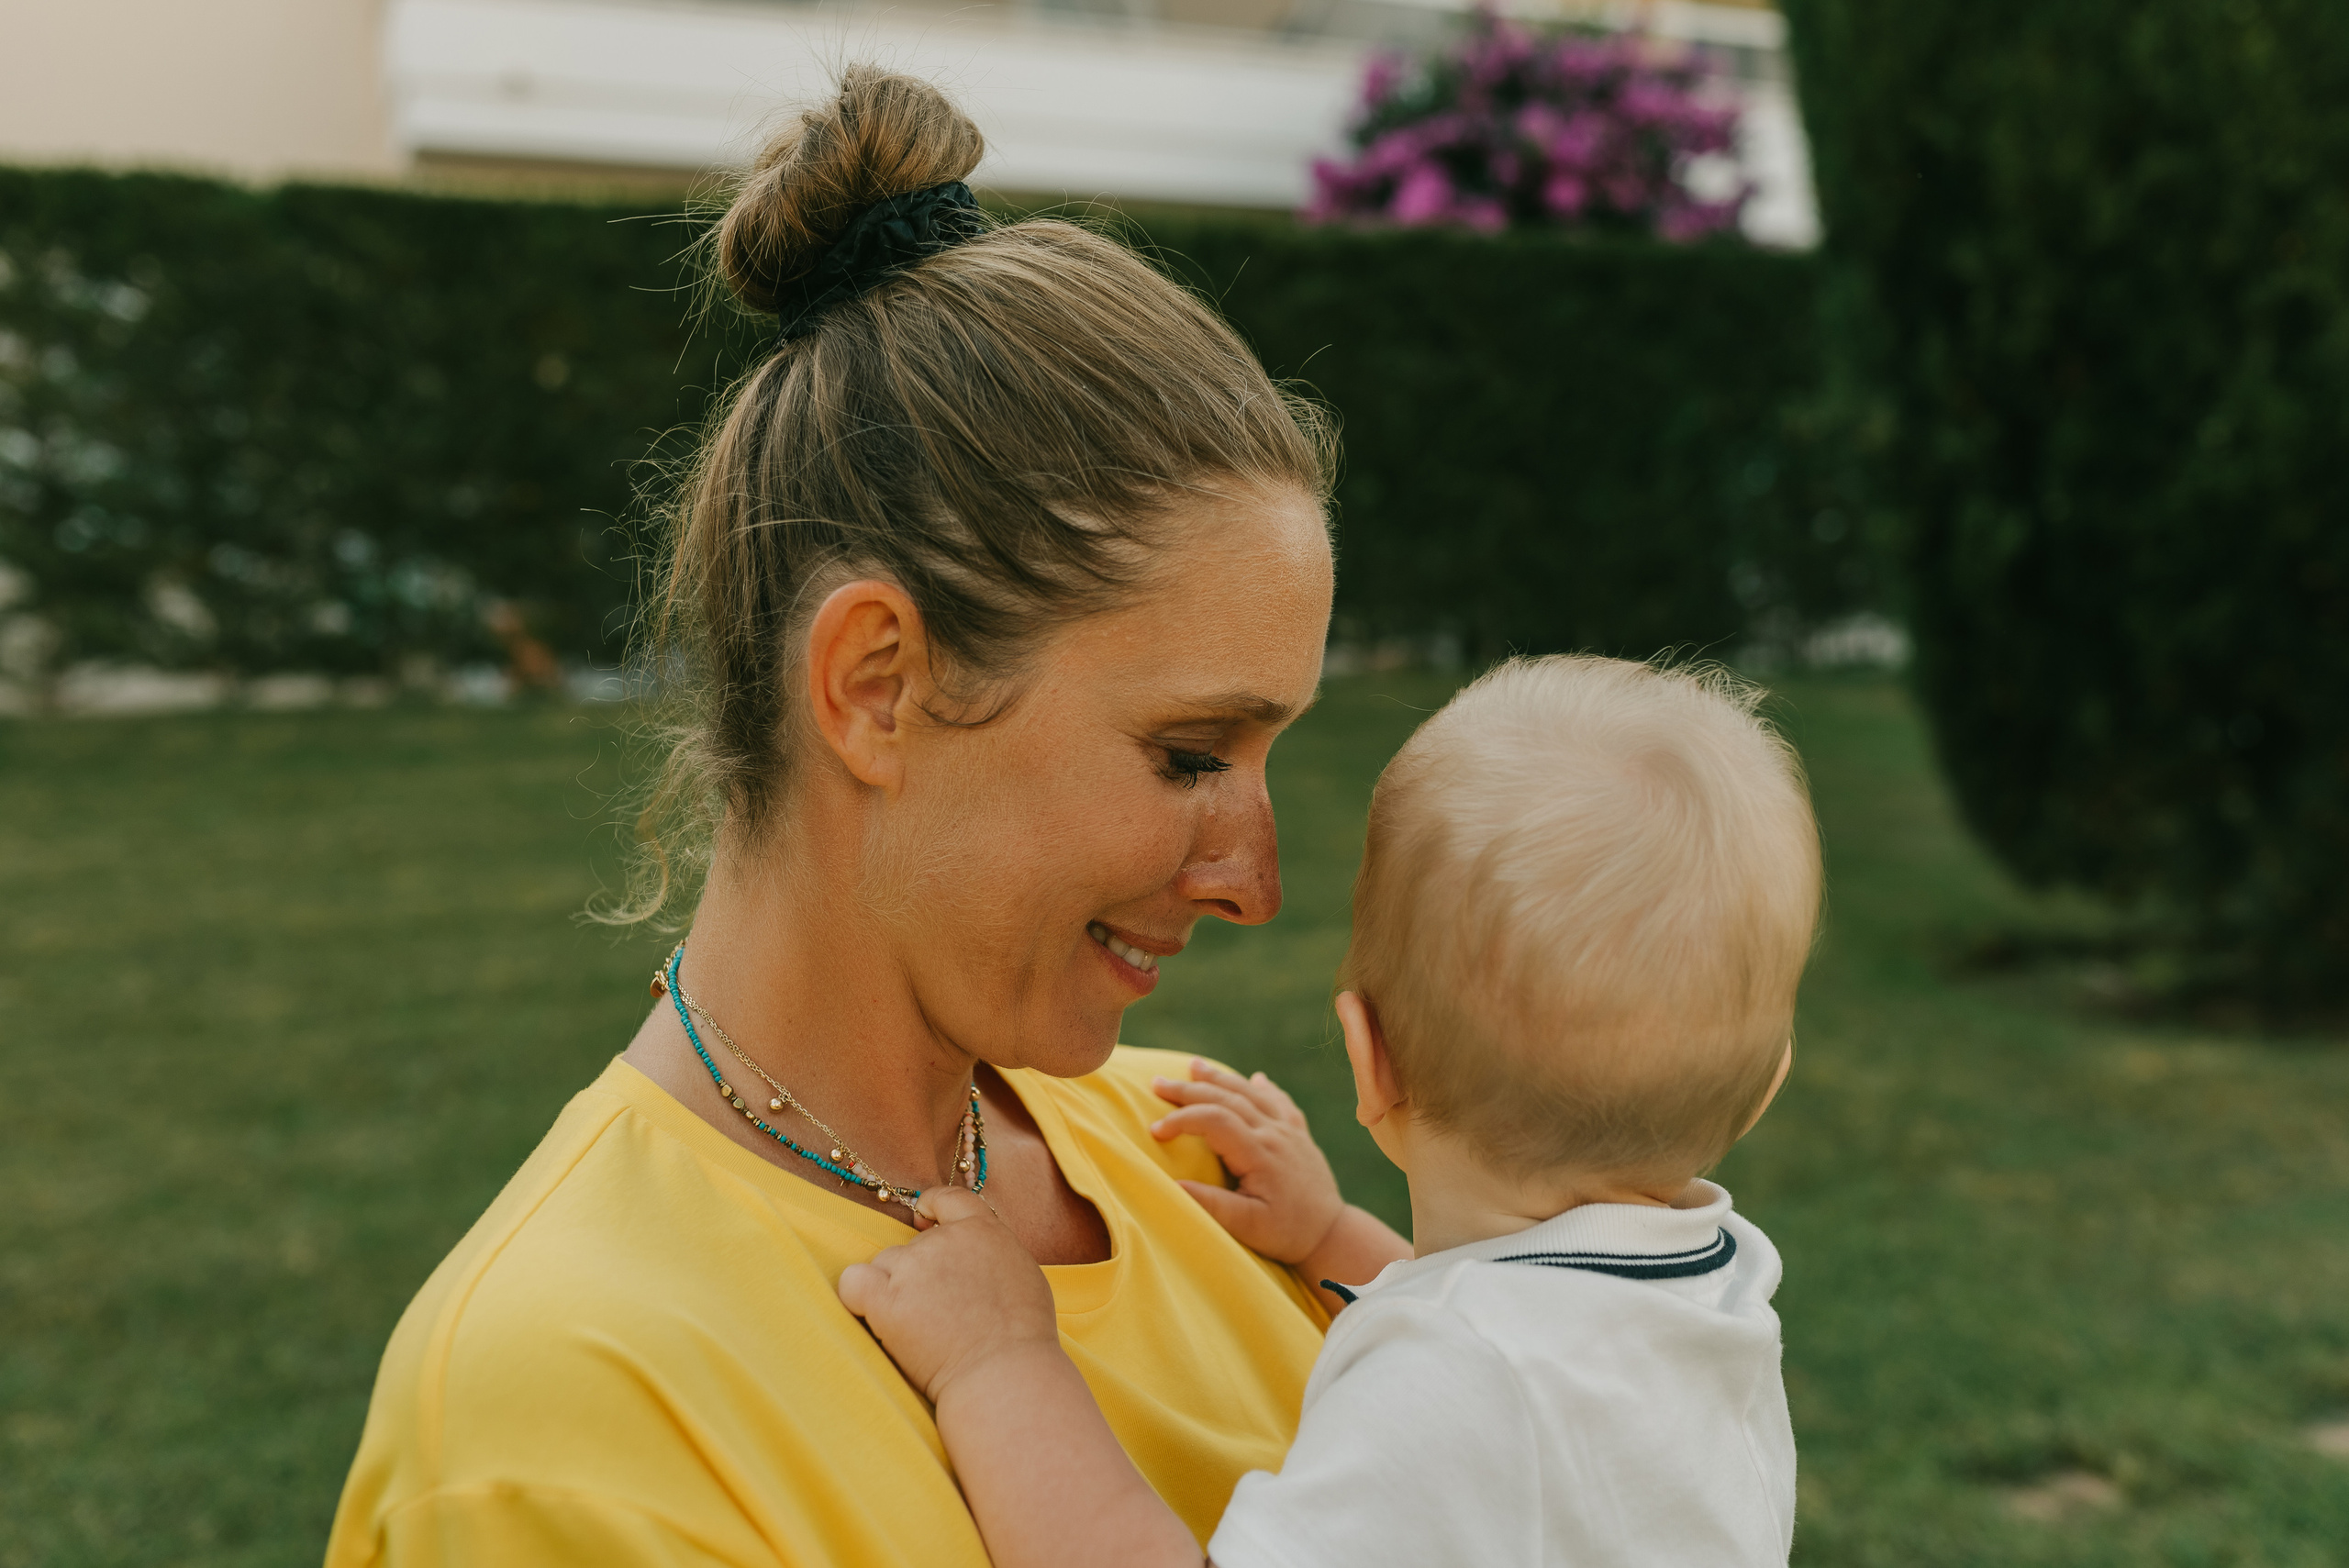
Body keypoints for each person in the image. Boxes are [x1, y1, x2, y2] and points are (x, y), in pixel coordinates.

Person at [325, 65, 1408, 1566]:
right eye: (1188, 753)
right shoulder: (562, 1425)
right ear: (878, 685)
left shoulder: (1212, 1161)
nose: (1254, 882)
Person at [841, 654, 1824, 1568]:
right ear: (1772, 1079)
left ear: (1368, 1058)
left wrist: (998, 1361)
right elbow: (1530, 1323)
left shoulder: (1451, 1389)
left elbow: (1484, 1355)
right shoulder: (1719, 1289)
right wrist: (1324, 1236)